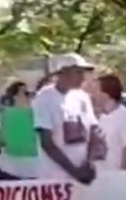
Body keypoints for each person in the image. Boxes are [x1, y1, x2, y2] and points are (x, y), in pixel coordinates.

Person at [32, 53, 100, 183]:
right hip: (54, 178)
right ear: (63, 73)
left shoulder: (82, 97)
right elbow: (47, 142)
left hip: (83, 175)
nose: (83, 77)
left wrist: (89, 163)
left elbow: (93, 131)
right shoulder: (44, 98)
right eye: (78, 72)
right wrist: (74, 172)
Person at [0, 81, 39, 180]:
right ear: (14, 96)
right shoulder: (2, 115)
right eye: (26, 93)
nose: (30, 97)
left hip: (32, 169)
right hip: (9, 168)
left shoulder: (37, 115)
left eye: (31, 94)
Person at [94, 74, 126, 171]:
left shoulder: (125, 116)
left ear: (106, 94)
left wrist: (122, 176)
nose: (93, 94)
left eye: (96, 90)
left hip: (115, 179)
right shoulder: (100, 117)